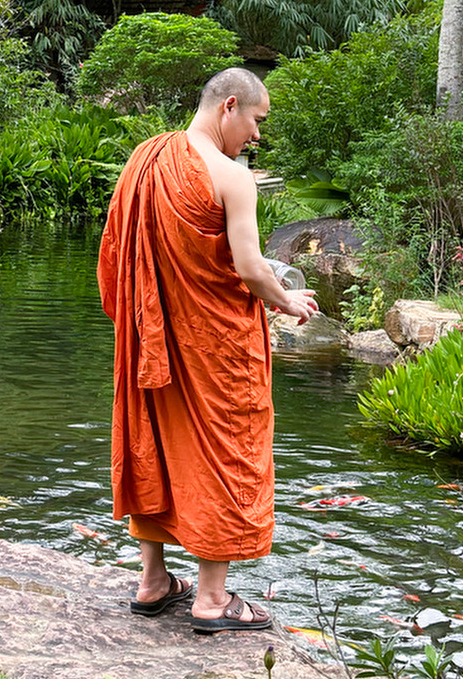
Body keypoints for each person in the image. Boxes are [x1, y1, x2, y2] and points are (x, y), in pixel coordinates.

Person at [98, 66, 321, 632]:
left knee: (156, 445)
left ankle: (153, 583)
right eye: (256, 120)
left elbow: (119, 255)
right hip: (214, 344)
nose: (257, 135)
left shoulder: (144, 159)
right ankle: (212, 599)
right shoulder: (233, 177)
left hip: (150, 342)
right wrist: (287, 301)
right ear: (229, 106)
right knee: (226, 451)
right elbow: (247, 268)